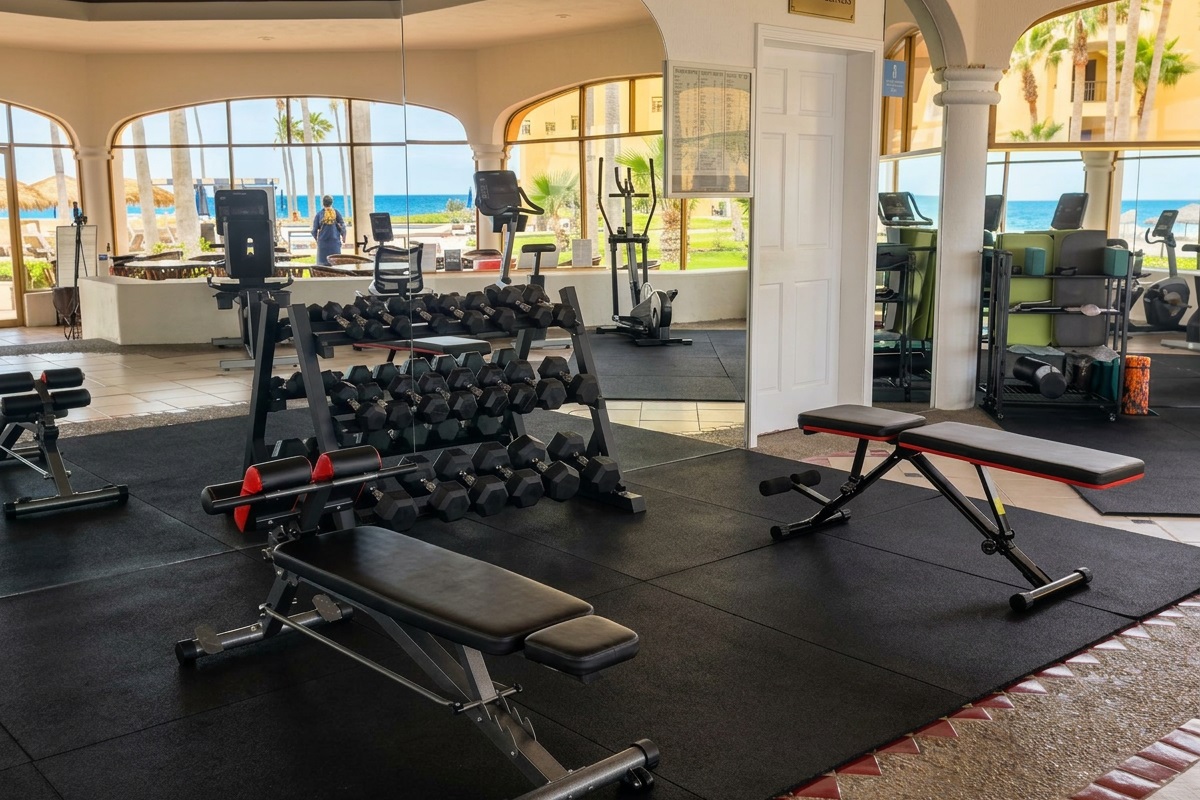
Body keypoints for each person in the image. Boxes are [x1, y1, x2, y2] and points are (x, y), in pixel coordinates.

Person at [311, 195, 346, 266]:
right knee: (335, 265)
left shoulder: (319, 214)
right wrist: (343, 237)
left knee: (322, 266)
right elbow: (343, 226)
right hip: (335, 243)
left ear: (323, 203)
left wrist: (317, 240)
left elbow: (314, 230)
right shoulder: (336, 213)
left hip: (323, 244)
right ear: (332, 203)